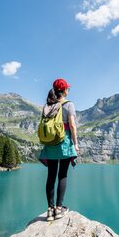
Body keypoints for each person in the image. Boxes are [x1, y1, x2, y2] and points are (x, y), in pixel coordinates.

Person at [38, 78, 79, 221]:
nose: (69, 90)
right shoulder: (69, 105)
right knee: (62, 175)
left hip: (50, 145)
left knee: (51, 175)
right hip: (64, 145)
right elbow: (72, 126)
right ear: (65, 90)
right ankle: (59, 209)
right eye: (68, 88)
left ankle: (50, 210)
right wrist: (76, 144)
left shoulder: (48, 105)